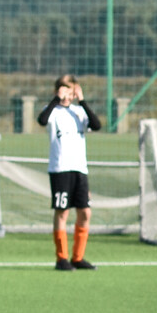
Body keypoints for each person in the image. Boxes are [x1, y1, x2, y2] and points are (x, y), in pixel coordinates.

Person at [38, 74, 102, 271]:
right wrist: (57, 99)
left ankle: (78, 257)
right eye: (64, 89)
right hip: (60, 168)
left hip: (80, 169)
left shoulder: (79, 112)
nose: (68, 94)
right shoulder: (52, 111)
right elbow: (42, 120)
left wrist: (82, 101)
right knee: (62, 211)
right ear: (58, 90)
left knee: (85, 212)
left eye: (71, 90)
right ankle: (61, 258)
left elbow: (97, 125)